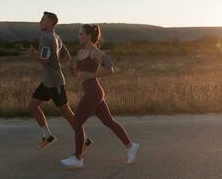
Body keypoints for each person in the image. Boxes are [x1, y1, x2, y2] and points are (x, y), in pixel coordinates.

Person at [60, 24, 139, 168]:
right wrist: (70, 67)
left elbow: (111, 68)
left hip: (94, 92)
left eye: (81, 34)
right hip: (90, 92)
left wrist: (92, 74)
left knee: (77, 122)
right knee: (109, 121)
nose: (79, 36)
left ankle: (77, 158)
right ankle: (130, 146)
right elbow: (78, 75)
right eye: (79, 34)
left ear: (89, 36)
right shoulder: (80, 53)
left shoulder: (96, 53)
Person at [27, 12, 93, 152]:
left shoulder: (45, 38)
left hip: (55, 83)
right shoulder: (56, 37)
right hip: (48, 82)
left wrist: (33, 55)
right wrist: (69, 69)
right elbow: (65, 55)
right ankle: (48, 136)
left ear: (50, 22)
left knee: (67, 114)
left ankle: (85, 140)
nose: (40, 22)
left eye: (43, 19)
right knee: (32, 106)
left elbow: (45, 60)